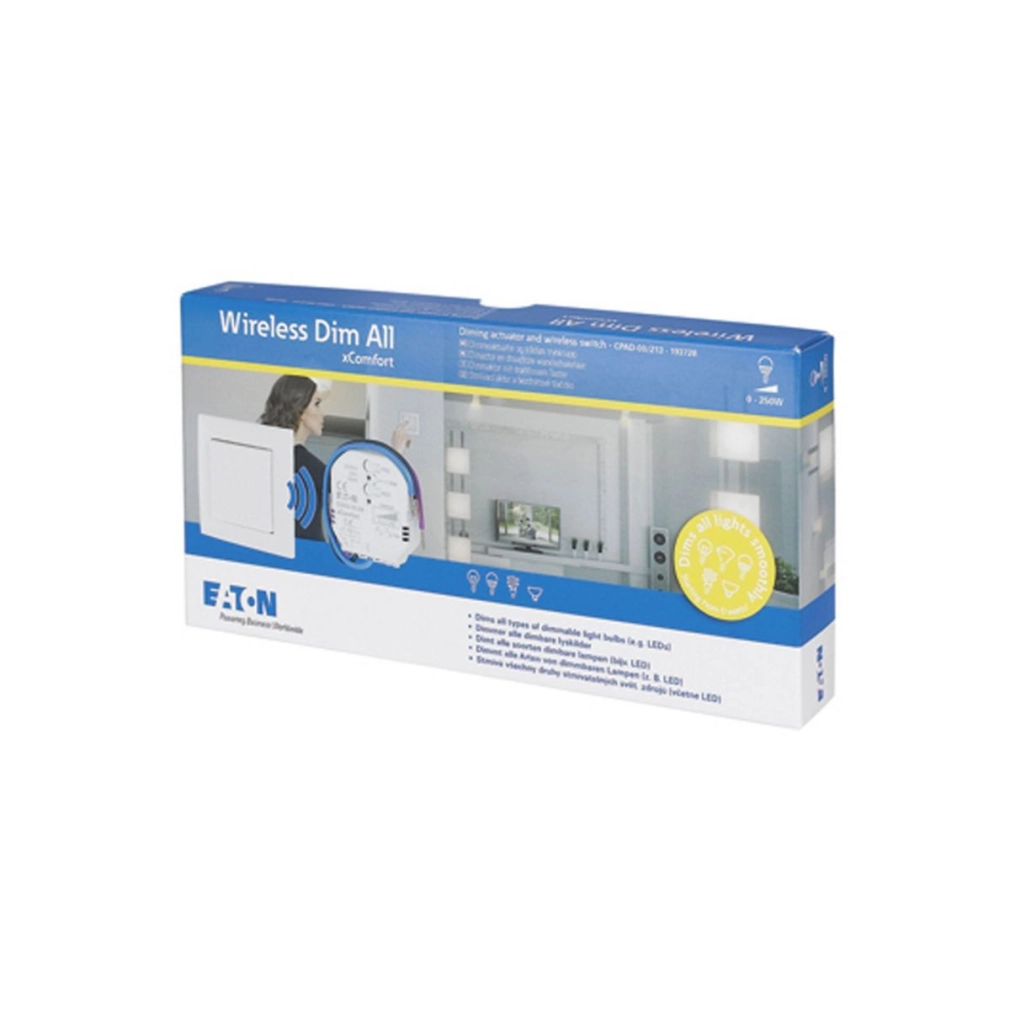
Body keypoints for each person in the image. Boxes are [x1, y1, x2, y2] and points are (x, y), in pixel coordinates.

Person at [259, 375, 412, 541]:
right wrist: (397, 451)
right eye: (317, 404)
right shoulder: (310, 468)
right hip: (310, 553)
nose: (322, 413)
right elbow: (370, 501)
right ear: (300, 410)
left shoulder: (264, 460)